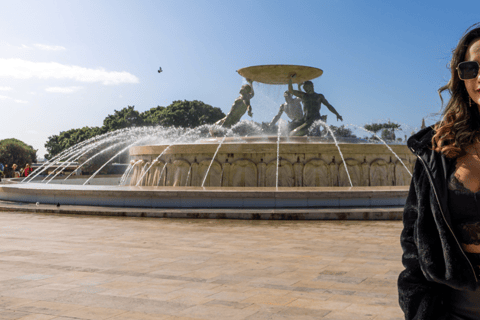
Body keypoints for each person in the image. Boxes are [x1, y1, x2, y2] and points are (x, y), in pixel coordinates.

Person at [398, 24, 480, 320]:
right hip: (455, 308)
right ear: (461, 78)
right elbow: (414, 237)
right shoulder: (437, 148)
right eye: (472, 68)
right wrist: (420, 308)